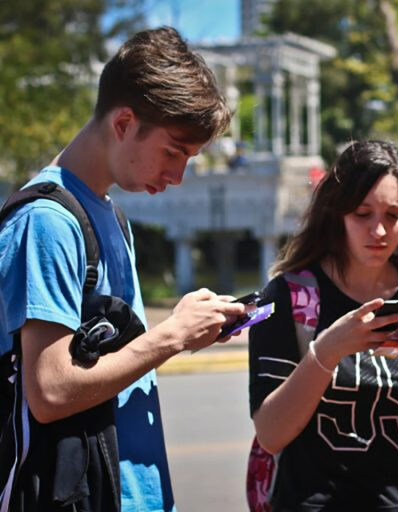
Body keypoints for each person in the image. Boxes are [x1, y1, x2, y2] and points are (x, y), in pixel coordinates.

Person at [0, 27, 245, 511]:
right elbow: (50, 391)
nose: (177, 176)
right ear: (124, 122)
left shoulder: (111, 215)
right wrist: (170, 336)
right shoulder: (46, 222)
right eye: (173, 152)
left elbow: (107, 357)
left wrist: (188, 328)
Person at [247, 140, 398, 511]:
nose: (379, 231)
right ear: (336, 213)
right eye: (362, 213)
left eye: (393, 215)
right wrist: (326, 351)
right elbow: (271, 433)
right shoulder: (290, 297)